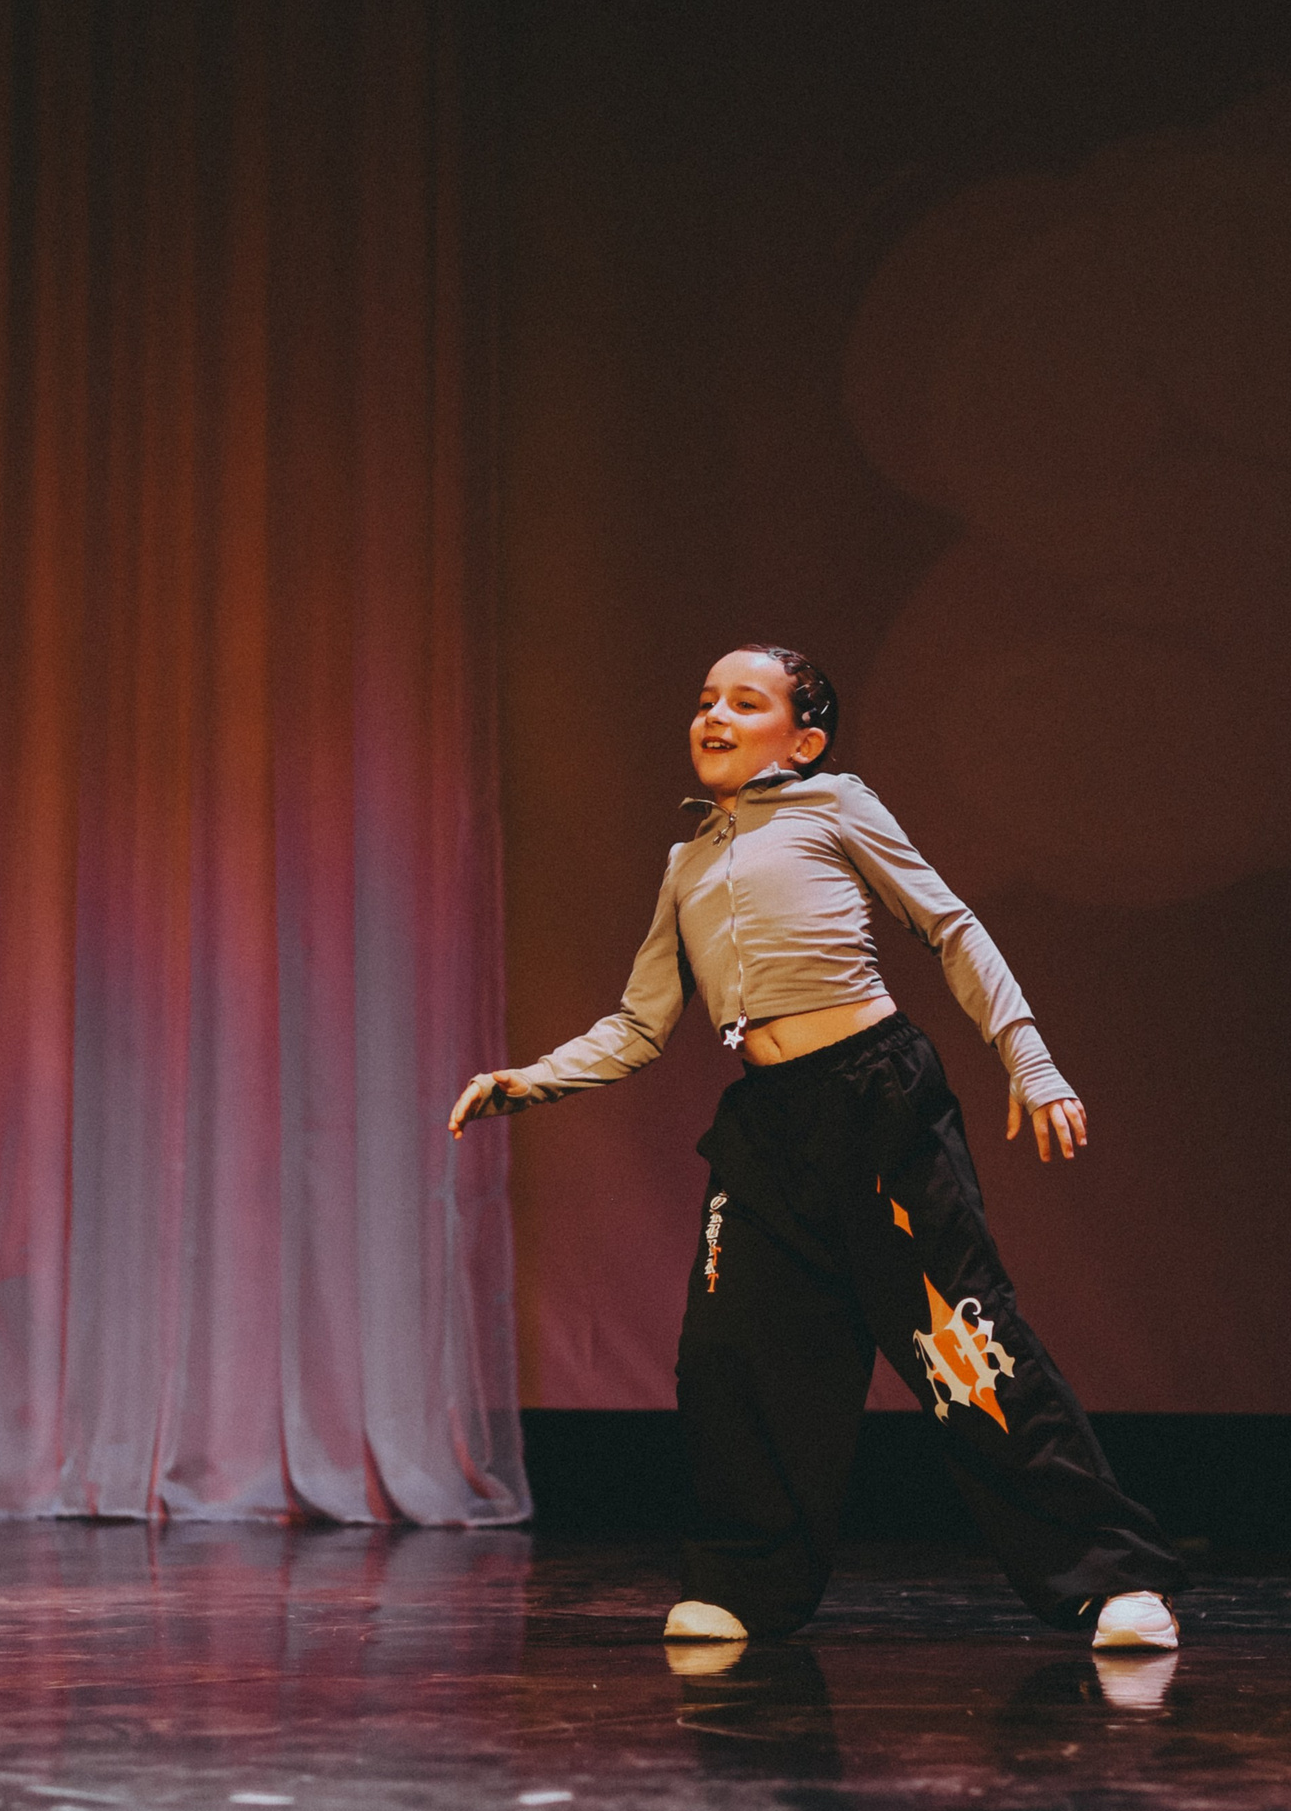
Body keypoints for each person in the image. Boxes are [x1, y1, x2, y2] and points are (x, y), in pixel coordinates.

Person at [451, 645, 1183, 1650]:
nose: (714, 715)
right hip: (768, 1124)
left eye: (745, 702)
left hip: (876, 1100)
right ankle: (745, 1583)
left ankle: (1111, 1578)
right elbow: (641, 1020)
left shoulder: (835, 804)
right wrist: (532, 1079)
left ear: (803, 741)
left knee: (964, 1346)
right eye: (705, 699)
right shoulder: (687, 861)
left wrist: (1031, 1058)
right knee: (730, 1355)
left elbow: (951, 927)